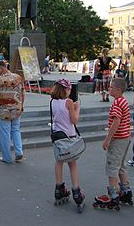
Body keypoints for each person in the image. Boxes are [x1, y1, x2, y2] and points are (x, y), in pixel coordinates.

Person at [94, 78, 133, 209]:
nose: (109, 89)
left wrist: (108, 139)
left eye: (111, 88)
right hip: (125, 138)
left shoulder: (117, 103)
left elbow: (116, 121)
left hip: (118, 139)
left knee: (112, 167)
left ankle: (114, 194)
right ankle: (126, 190)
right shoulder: (124, 101)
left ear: (118, 90)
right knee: (121, 165)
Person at [49, 78, 85, 207]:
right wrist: (77, 108)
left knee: (59, 161)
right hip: (69, 136)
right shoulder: (69, 102)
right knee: (72, 163)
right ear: (65, 89)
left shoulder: (52, 101)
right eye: (69, 88)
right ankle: (76, 190)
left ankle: (59, 188)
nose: (70, 91)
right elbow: (74, 120)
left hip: (58, 136)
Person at [0, 61, 25, 164]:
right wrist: (21, 106)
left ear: (2, 68)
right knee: (16, 130)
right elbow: (22, 94)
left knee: (5, 134)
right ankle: (19, 152)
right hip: (17, 109)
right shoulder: (18, 78)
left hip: (4, 112)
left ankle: (6, 158)